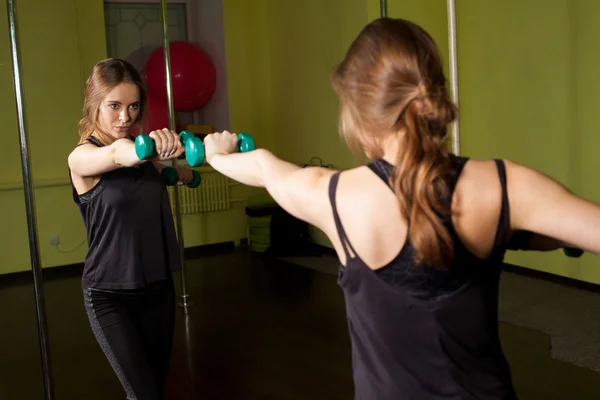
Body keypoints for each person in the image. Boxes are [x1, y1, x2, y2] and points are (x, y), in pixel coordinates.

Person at [201, 18, 600, 399]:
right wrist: (541, 233)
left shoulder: (333, 195)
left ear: (359, 111)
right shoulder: (503, 184)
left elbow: (263, 167)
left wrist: (217, 155)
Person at [68, 58, 194, 399]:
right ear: (94, 104)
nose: (125, 117)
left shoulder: (146, 156)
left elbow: (170, 169)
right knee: (144, 394)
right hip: (109, 295)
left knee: (152, 390)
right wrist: (154, 149)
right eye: (114, 106)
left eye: (133, 106)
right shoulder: (81, 159)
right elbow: (119, 154)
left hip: (157, 288)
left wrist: (176, 167)